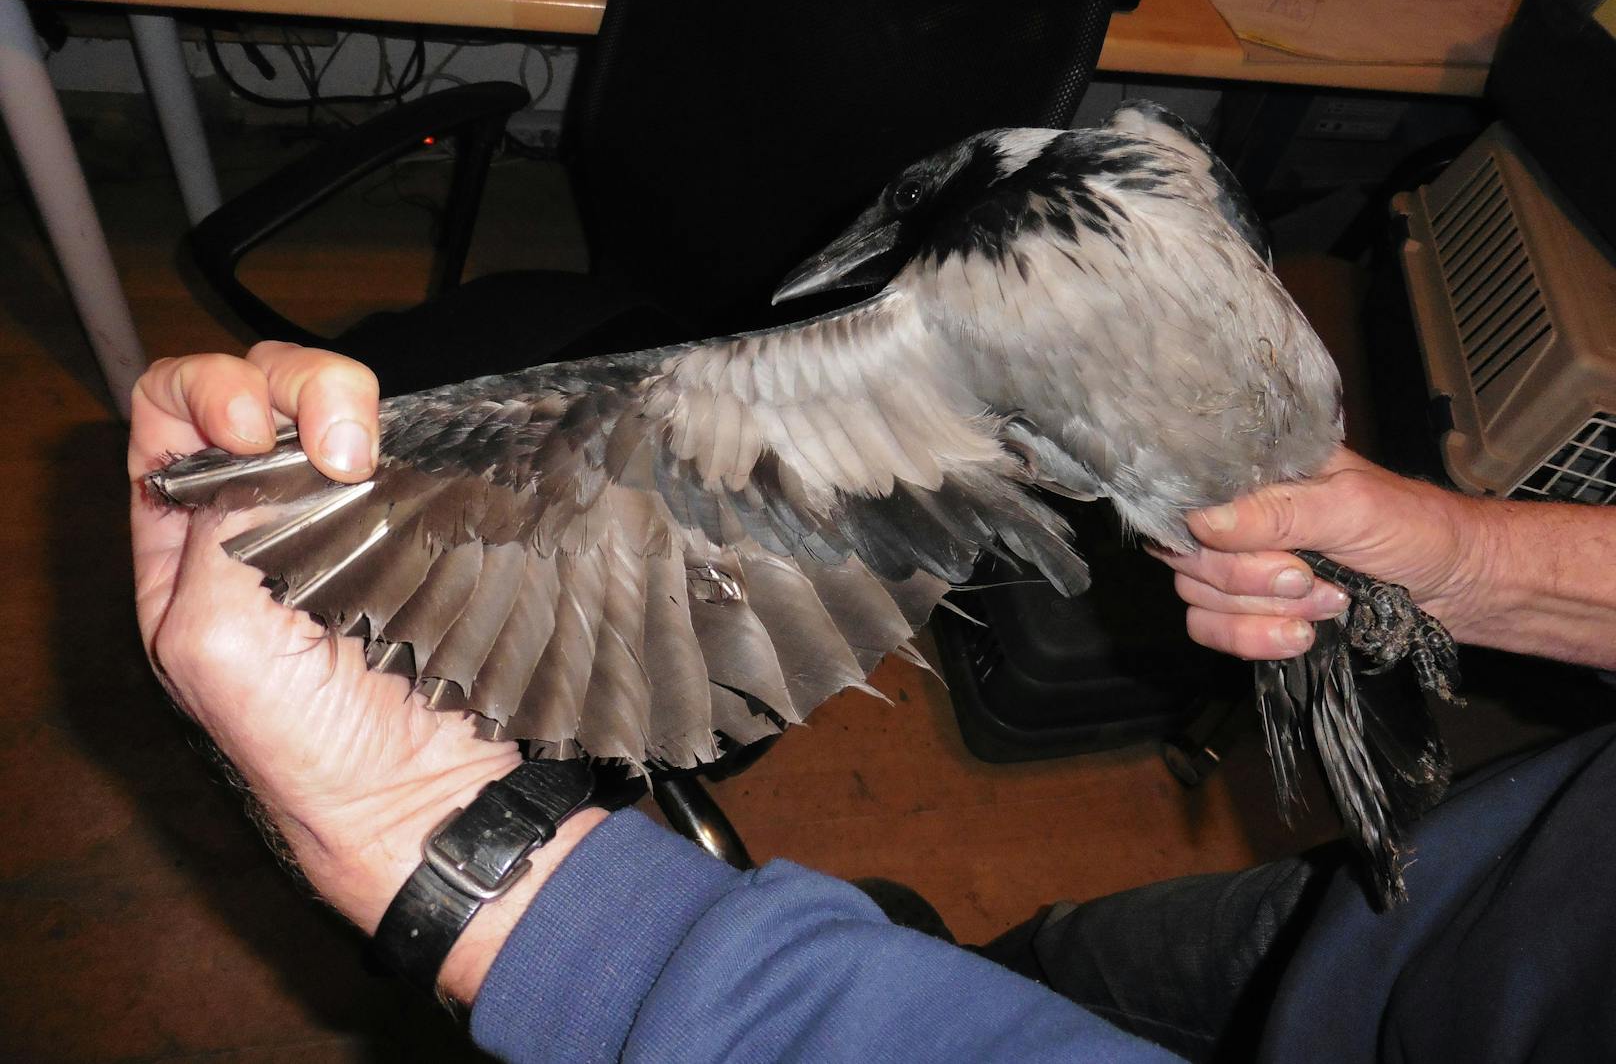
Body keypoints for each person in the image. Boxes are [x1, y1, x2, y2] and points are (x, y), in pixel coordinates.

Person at [131, 343, 1616, 1063]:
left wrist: (462, 859)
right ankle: (990, 968)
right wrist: (1484, 561)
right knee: (1078, 966)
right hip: (1432, 895)